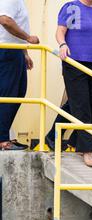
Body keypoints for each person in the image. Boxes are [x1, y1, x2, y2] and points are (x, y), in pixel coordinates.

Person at [46, 0, 92, 153]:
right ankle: (86, 150)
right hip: (75, 63)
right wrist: (62, 44)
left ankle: (56, 136)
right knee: (81, 105)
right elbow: (60, 31)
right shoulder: (71, 7)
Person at [0, 0, 39, 151]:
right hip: (7, 50)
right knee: (9, 94)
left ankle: (4, 135)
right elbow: (5, 20)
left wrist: (24, 52)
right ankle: (2, 139)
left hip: (15, 50)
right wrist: (28, 38)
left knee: (17, 93)